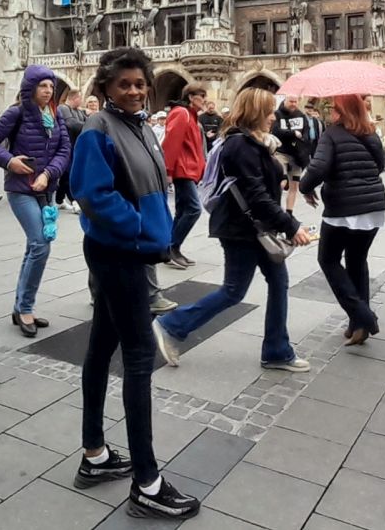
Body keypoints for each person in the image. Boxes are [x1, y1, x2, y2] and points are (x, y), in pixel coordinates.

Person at [69, 47, 201, 520]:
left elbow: (149, 187)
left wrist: (152, 231)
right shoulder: (99, 128)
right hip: (118, 254)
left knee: (101, 348)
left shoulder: (139, 126)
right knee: (140, 358)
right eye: (123, 83)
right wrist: (141, 230)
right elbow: (90, 193)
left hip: (131, 252)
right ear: (105, 87)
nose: (134, 90)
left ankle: (94, 454)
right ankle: (147, 483)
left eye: (140, 83)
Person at [154, 87, 313, 373]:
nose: (273, 117)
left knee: (278, 282)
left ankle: (277, 350)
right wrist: (291, 225)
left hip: (255, 227)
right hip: (241, 230)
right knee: (233, 291)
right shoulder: (240, 145)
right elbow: (255, 196)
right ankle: (173, 324)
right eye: (268, 112)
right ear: (254, 112)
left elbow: (260, 188)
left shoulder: (255, 142)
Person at [0, 66, 72, 337]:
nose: (48, 91)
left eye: (51, 86)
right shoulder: (17, 113)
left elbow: (64, 149)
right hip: (20, 189)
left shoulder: (55, 115)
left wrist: (48, 174)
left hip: (45, 189)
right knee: (40, 245)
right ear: (30, 88)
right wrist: (9, 161)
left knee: (34, 246)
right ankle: (25, 308)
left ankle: (20, 305)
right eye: (43, 85)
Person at [299, 94, 385, 345]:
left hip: (343, 208)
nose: (330, 112)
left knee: (328, 259)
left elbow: (318, 168)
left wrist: (305, 188)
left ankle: (364, 316)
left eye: (333, 108)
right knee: (357, 260)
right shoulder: (370, 133)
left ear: (342, 111)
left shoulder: (332, 134)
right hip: (373, 206)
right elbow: (380, 165)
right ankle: (358, 326)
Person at [163, 85, 209, 269]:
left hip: (188, 169)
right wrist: (168, 170)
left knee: (183, 210)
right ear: (191, 97)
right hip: (182, 169)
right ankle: (171, 248)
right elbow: (171, 142)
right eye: (202, 95)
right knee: (193, 209)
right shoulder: (182, 113)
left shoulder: (190, 115)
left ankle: (172, 248)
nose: (204, 100)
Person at [273, 95, 312, 213]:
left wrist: (303, 142)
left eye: (295, 102)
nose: (293, 104)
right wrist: (292, 133)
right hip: (281, 152)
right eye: (291, 101)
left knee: (294, 185)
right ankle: (275, 209)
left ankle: (289, 212)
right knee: (282, 182)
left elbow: (306, 132)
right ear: (285, 100)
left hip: (296, 155)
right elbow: (276, 131)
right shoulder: (277, 114)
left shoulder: (301, 116)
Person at [56, 90, 88, 213]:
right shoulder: (63, 108)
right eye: (81, 98)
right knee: (69, 174)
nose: (82, 101)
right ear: (75, 98)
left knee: (66, 175)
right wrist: (88, 125)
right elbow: (71, 124)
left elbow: (87, 121)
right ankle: (74, 201)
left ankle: (59, 201)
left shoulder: (79, 112)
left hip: (76, 148)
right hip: (65, 147)